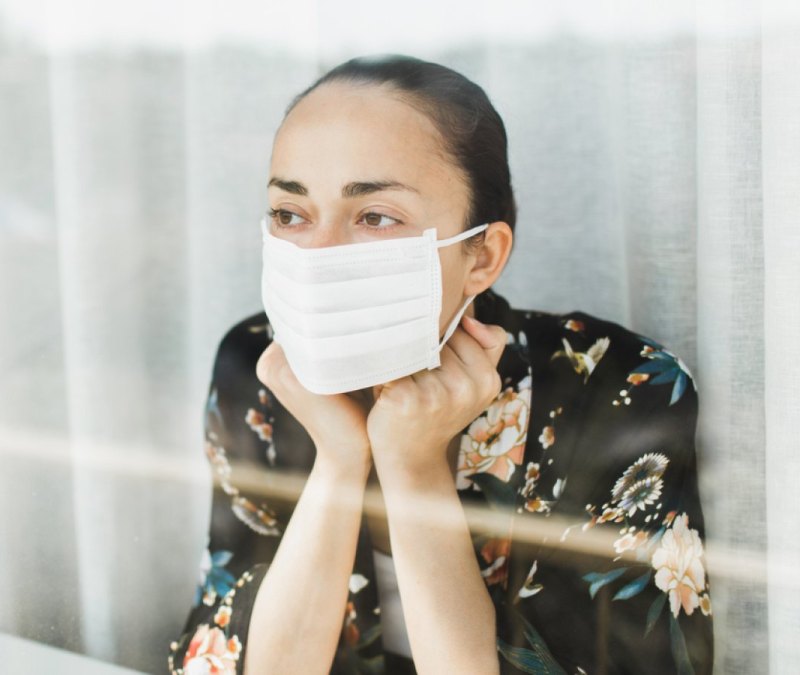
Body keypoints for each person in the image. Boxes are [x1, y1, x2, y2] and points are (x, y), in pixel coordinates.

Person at [167, 55, 713, 675]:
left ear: (482, 257)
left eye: (375, 216)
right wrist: (340, 462)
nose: (317, 257)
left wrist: (415, 468)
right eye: (290, 214)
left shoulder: (618, 386)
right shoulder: (260, 370)